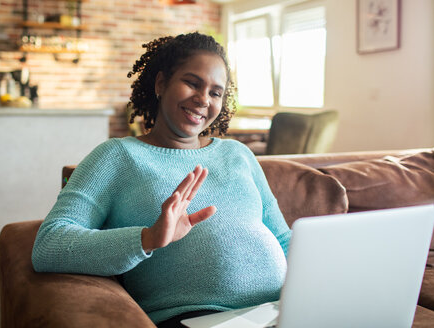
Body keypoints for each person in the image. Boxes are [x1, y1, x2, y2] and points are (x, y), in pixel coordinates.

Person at [32, 32, 291, 327]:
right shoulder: (116, 156)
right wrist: (148, 238)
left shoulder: (238, 154)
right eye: (192, 83)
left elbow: (283, 239)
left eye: (216, 92)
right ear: (161, 83)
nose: (203, 99)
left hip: (280, 309)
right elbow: (48, 246)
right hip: (198, 317)